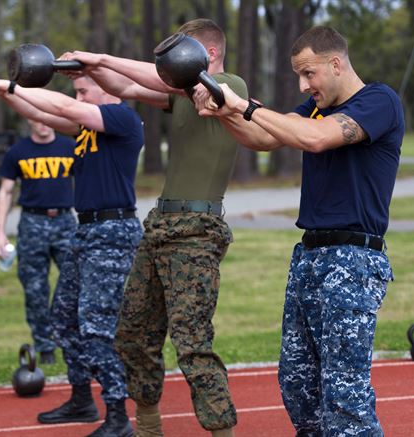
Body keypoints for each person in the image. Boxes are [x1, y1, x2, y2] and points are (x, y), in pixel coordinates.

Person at [194, 25, 404, 436]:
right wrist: (225, 112)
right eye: (298, 76)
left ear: (336, 63)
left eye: (309, 74)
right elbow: (260, 137)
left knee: (345, 396)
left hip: (353, 260)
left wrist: (247, 106)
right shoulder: (312, 108)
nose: (303, 84)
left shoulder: (379, 101)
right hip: (309, 256)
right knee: (298, 385)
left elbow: (317, 138)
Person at [64, 18, 248, 437]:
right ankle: (148, 427)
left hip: (197, 232)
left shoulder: (231, 86)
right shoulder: (179, 96)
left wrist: (102, 57)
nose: (170, 63)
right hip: (160, 225)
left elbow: (158, 77)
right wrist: (88, 70)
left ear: (209, 55)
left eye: (181, 52)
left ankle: (222, 432)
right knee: (132, 332)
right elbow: (127, 88)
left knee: (192, 344)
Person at [0, 75, 144, 437]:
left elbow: (64, 108)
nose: (77, 96)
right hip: (84, 231)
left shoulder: (122, 119)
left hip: (113, 232)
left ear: (108, 89)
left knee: (95, 325)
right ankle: (82, 399)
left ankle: (117, 416)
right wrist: (5, 95)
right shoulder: (87, 129)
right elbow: (47, 114)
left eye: (84, 90)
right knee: (63, 319)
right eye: (77, 91)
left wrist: (13, 86)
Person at [0, 119, 76, 365]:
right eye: (36, 117)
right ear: (29, 119)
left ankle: (74, 342)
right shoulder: (18, 152)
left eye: (47, 116)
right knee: (35, 291)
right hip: (32, 223)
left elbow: (87, 183)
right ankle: (45, 347)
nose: (43, 123)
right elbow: (5, 192)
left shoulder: (69, 148)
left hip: (64, 221)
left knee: (76, 283)